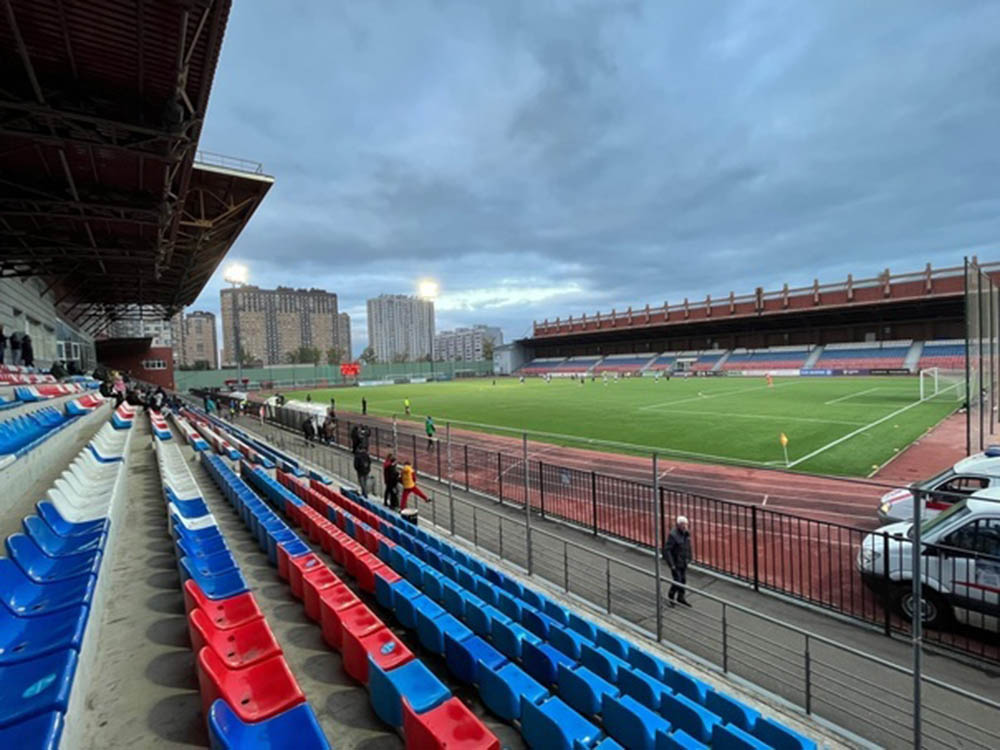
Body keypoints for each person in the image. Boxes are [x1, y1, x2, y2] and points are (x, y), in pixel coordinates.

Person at [664, 516, 693, 607]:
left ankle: (681, 597)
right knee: (677, 580)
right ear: (678, 525)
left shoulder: (686, 533)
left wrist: (689, 557)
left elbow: (688, 546)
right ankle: (671, 596)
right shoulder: (673, 535)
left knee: (683, 580)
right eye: (683, 524)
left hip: (683, 561)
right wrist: (671, 564)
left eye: (686, 524)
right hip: (676, 563)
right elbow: (667, 550)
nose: (685, 526)